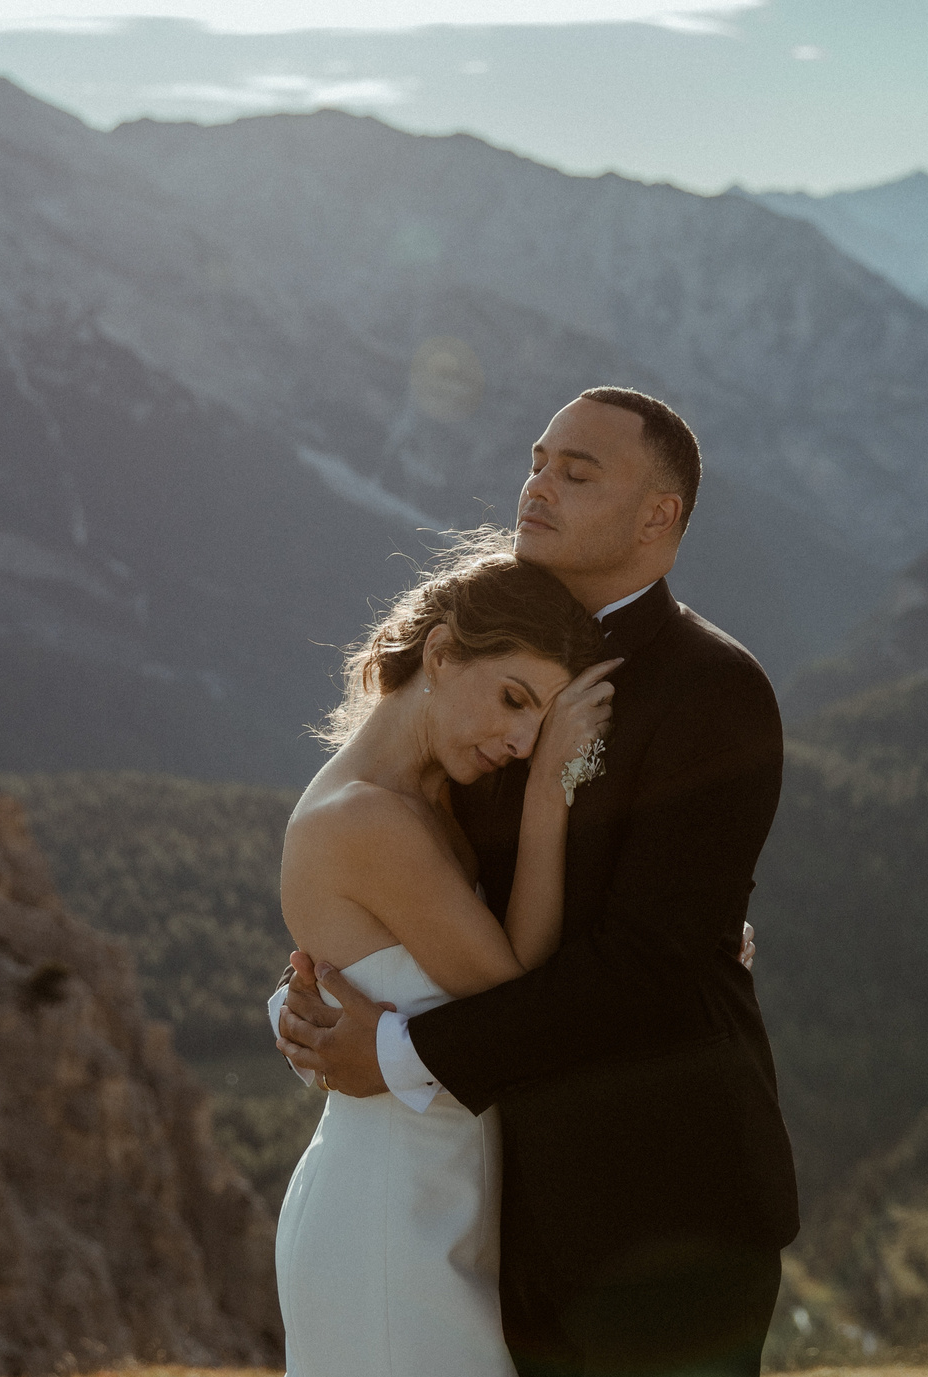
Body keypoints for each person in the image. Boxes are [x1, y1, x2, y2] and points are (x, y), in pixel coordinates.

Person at [277, 387, 799, 1377]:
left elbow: (646, 969)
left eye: (577, 471)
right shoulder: (494, 671)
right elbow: (403, 879)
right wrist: (313, 994)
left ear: (658, 517)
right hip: (503, 1215)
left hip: (664, 1210)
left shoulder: (715, 691)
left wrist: (393, 1049)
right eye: (536, 460)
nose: (535, 487)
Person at [271, 542, 618, 1376]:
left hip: (443, 1205)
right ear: (440, 652)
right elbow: (514, 997)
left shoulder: (429, 795)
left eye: (540, 721)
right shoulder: (369, 818)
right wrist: (546, 797)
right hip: (388, 1225)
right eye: (512, 699)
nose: (523, 737)